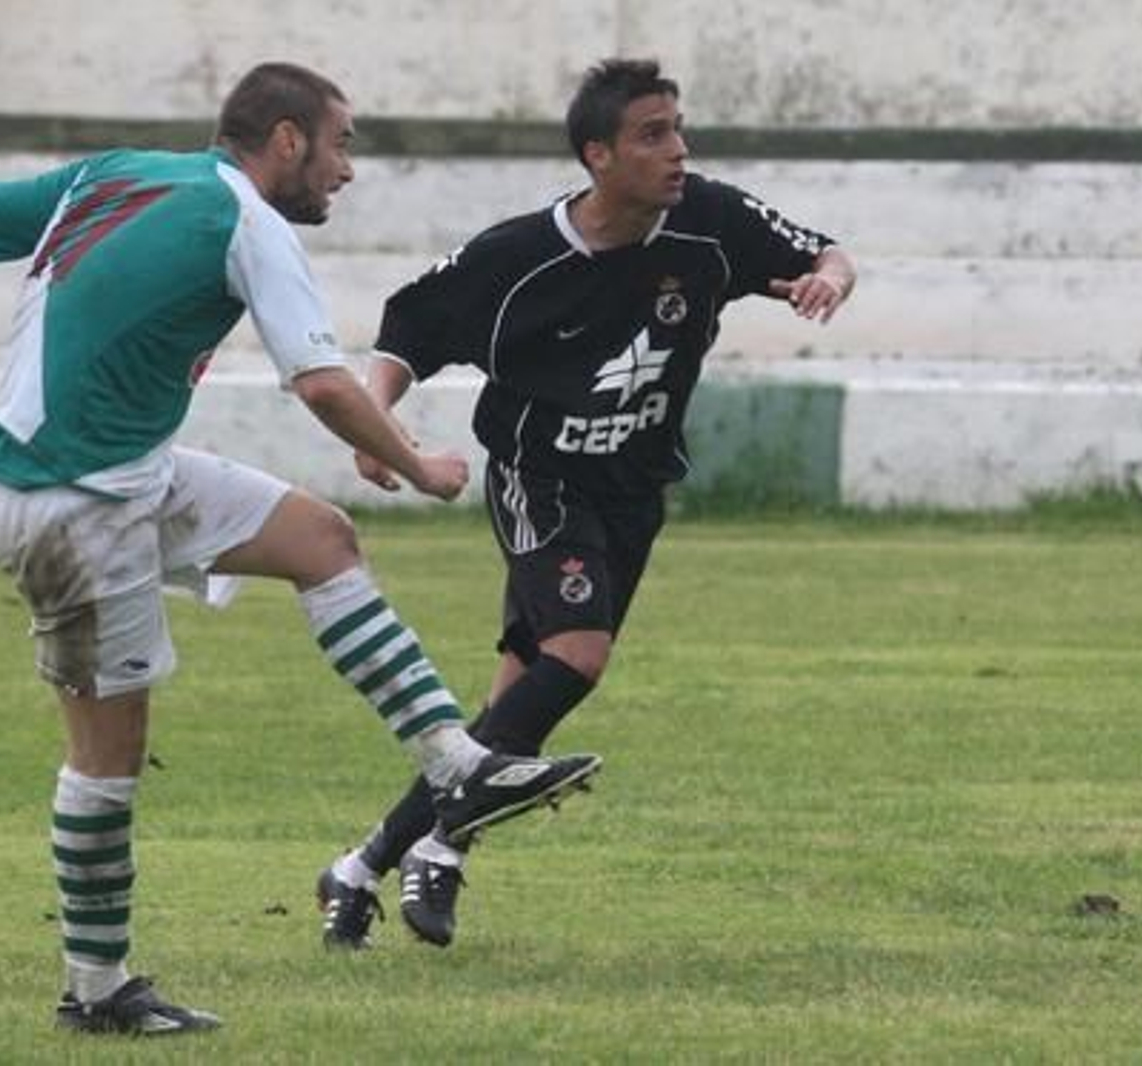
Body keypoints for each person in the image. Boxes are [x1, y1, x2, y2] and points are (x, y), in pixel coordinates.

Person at [0, 61, 602, 1037]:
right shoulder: (247, 224)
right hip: (71, 504)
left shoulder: (118, 170)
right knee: (107, 756)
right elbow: (319, 382)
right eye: (341, 145)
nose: (347, 171)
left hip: (119, 471)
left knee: (320, 538)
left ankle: (453, 763)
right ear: (288, 140)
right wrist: (416, 459)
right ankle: (95, 990)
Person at [316, 57, 856, 950]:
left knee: (522, 698)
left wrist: (830, 279)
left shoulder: (709, 222)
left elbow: (824, 252)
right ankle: (401, 854)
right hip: (542, 480)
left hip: (636, 491)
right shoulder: (517, 260)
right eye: (653, 135)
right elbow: (410, 327)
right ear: (598, 155)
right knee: (579, 651)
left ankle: (391, 860)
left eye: (679, 129)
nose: (677, 151)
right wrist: (377, 425)